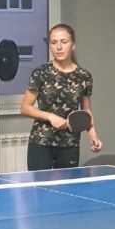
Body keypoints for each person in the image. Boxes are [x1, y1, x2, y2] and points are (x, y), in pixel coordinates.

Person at [20, 23, 102, 170]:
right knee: (40, 185)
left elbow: (86, 110)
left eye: (64, 42)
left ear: (73, 45)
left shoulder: (84, 76)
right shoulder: (41, 73)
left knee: (66, 184)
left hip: (70, 144)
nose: (58, 47)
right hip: (41, 143)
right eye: (54, 42)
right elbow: (25, 108)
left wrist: (93, 134)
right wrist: (51, 117)